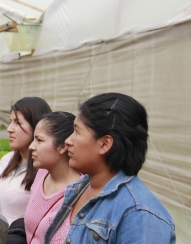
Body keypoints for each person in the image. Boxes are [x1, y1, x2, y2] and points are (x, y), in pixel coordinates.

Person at [51, 93, 175, 243]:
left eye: (77, 131)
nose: (68, 141)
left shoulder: (140, 215)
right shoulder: (79, 187)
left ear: (105, 144)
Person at [0, 97, 50, 243]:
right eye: (10, 121)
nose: (9, 128)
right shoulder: (6, 161)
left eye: (17, 123)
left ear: (37, 127)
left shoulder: (45, 171)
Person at [24, 111, 82, 244]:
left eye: (39, 140)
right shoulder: (41, 174)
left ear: (62, 146)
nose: (31, 146)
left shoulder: (80, 193)